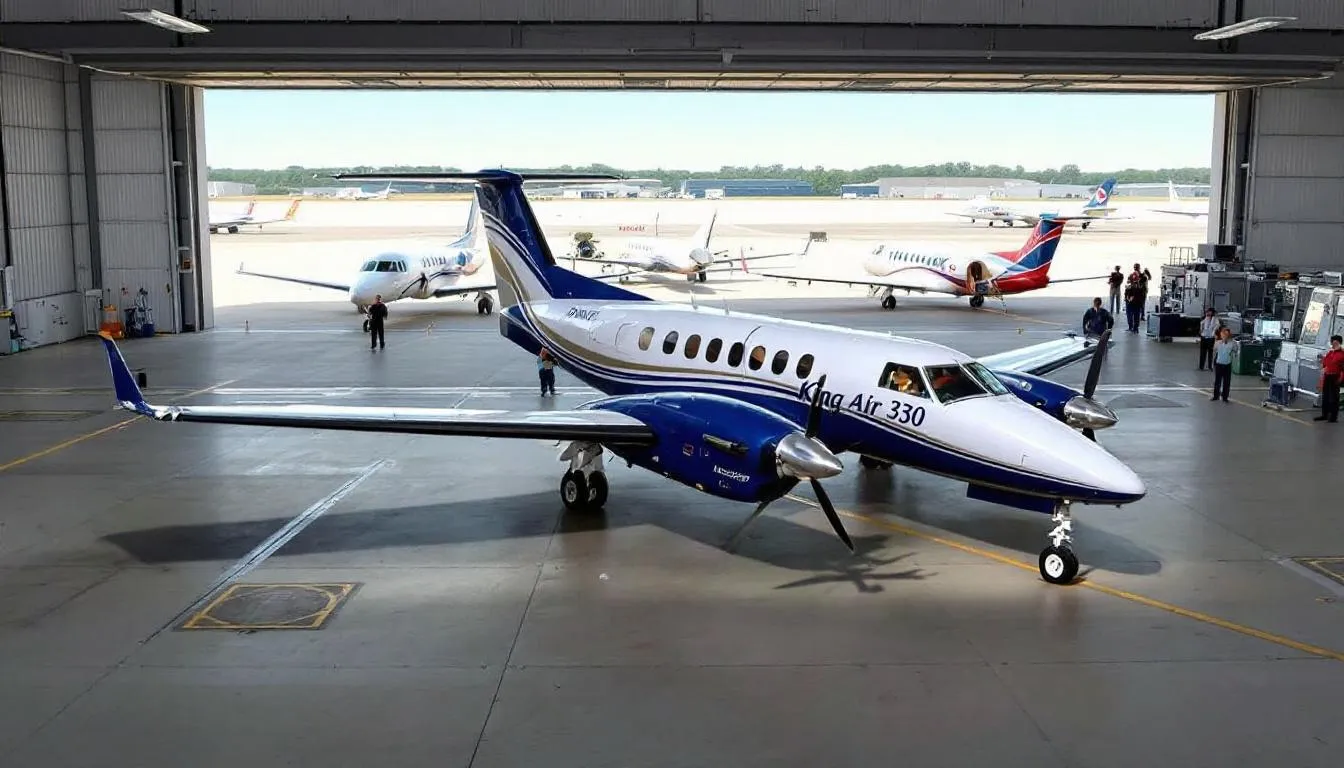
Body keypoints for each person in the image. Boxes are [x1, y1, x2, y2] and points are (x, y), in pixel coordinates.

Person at [1315, 334, 1343, 423]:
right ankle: (1324, 415)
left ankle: (1333, 417)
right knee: (1325, 396)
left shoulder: (1342, 354)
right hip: (1328, 375)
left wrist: (1340, 379)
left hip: (1335, 376)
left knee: (1334, 398)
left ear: (1336, 342)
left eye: (1333, 342)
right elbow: (1326, 362)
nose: (1331, 343)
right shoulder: (1330, 352)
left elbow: (1342, 368)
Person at [1210, 327, 1237, 402]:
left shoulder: (1232, 343)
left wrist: (1234, 355)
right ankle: (1216, 396)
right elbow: (1214, 352)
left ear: (1229, 335)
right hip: (1219, 364)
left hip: (1227, 364)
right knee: (1217, 381)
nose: (1224, 336)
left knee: (1226, 382)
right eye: (1223, 334)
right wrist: (1212, 363)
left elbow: (1236, 351)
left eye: (1226, 334)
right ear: (1221, 335)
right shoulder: (1217, 343)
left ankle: (1225, 397)